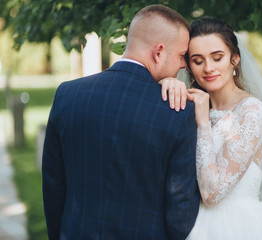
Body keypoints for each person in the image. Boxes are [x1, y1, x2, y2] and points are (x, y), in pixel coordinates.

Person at [42, 5, 200, 240]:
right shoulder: (177, 111)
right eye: (181, 55)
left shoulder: (67, 95)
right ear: (158, 53)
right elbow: (181, 213)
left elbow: (53, 188)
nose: (184, 65)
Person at [160, 17, 262, 239]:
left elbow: (213, 193)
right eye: (198, 60)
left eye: (217, 57)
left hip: (238, 227)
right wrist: (166, 83)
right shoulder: (193, 105)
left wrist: (203, 124)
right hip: (188, 222)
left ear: (235, 59)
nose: (208, 68)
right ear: (189, 66)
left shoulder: (252, 113)